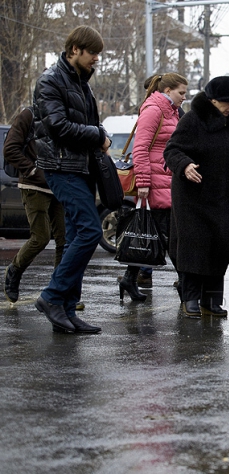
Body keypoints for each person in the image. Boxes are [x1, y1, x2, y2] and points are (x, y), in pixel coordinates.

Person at [32, 26, 110, 334]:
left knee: (78, 234)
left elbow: (86, 123)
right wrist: (99, 135)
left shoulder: (81, 83)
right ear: (75, 49)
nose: (96, 60)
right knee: (91, 231)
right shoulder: (50, 81)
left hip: (81, 167)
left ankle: (66, 309)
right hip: (61, 166)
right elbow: (57, 126)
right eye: (93, 53)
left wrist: (97, 134)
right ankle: (51, 297)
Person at [163, 76, 229, 318]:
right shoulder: (193, 119)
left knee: (219, 249)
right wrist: (185, 165)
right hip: (193, 197)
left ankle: (211, 301)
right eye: (228, 101)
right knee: (194, 249)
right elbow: (172, 149)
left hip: (223, 197)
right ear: (213, 100)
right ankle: (190, 298)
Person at [117, 73, 188, 301]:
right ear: (167, 91)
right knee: (169, 237)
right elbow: (140, 148)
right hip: (155, 183)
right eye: (181, 93)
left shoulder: (171, 111)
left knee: (152, 234)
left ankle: (129, 278)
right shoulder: (154, 110)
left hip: (166, 181)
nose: (184, 97)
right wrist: (145, 183)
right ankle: (187, 286)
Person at [3, 108, 66, 303]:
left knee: (65, 240)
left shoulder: (62, 115)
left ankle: (60, 292)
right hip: (34, 186)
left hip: (59, 185)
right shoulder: (28, 114)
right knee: (41, 237)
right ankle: (14, 270)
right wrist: (32, 170)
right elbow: (10, 149)